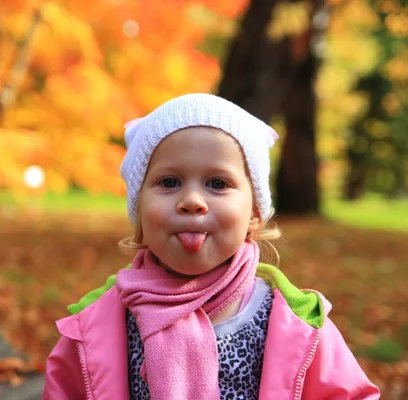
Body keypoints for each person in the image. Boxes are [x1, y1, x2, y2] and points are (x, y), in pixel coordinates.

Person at [42, 94, 380, 400]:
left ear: (254, 213)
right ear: (139, 208)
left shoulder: (295, 321)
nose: (192, 201)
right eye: (169, 182)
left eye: (218, 183)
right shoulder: (97, 324)